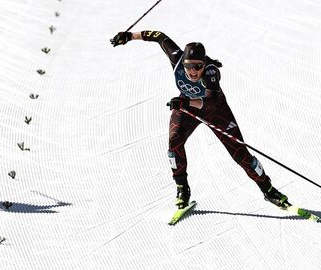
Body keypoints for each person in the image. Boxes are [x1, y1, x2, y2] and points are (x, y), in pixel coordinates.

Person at [110, 30, 290, 210]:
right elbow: (158, 36)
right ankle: (182, 188)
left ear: (204, 63)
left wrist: (185, 101)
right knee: (174, 141)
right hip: (187, 106)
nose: (193, 71)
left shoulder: (211, 72)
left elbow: (210, 102)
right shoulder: (176, 58)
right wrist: (129, 36)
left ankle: (269, 190)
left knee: (240, 154)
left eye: (198, 66)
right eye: (189, 66)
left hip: (216, 111)